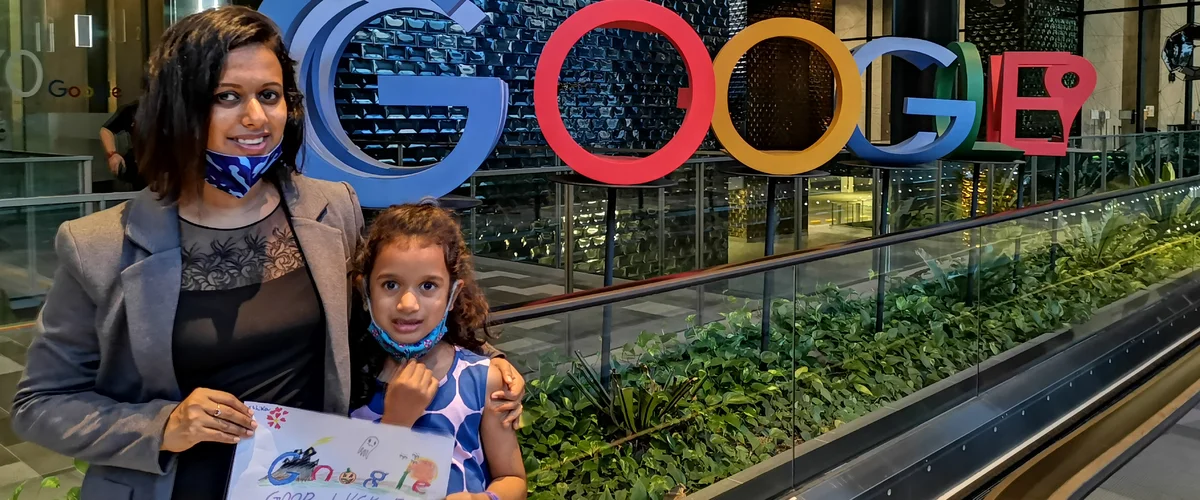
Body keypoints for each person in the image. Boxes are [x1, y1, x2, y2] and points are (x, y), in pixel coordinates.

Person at [10, 7, 525, 500]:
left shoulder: (332, 208)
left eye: (270, 95)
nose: (255, 117)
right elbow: (40, 404)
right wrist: (162, 424)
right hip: (174, 488)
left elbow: (390, 313)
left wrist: (486, 366)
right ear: (180, 106)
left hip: (312, 482)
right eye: (227, 96)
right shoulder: (99, 245)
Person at [349, 202, 526, 500]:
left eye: (428, 286)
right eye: (390, 284)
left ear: (453, 293)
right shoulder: (347, 378)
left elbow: (512, 478)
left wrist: (482, 499)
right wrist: (396, 422)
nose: (408, 304)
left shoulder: (485, 381)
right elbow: (341, 480)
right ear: (365, 290)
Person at [99, 98, 146, 189]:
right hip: (140, 167)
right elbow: (106, 130)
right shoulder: (133, 109)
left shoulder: (174, 109)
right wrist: (112, 154)